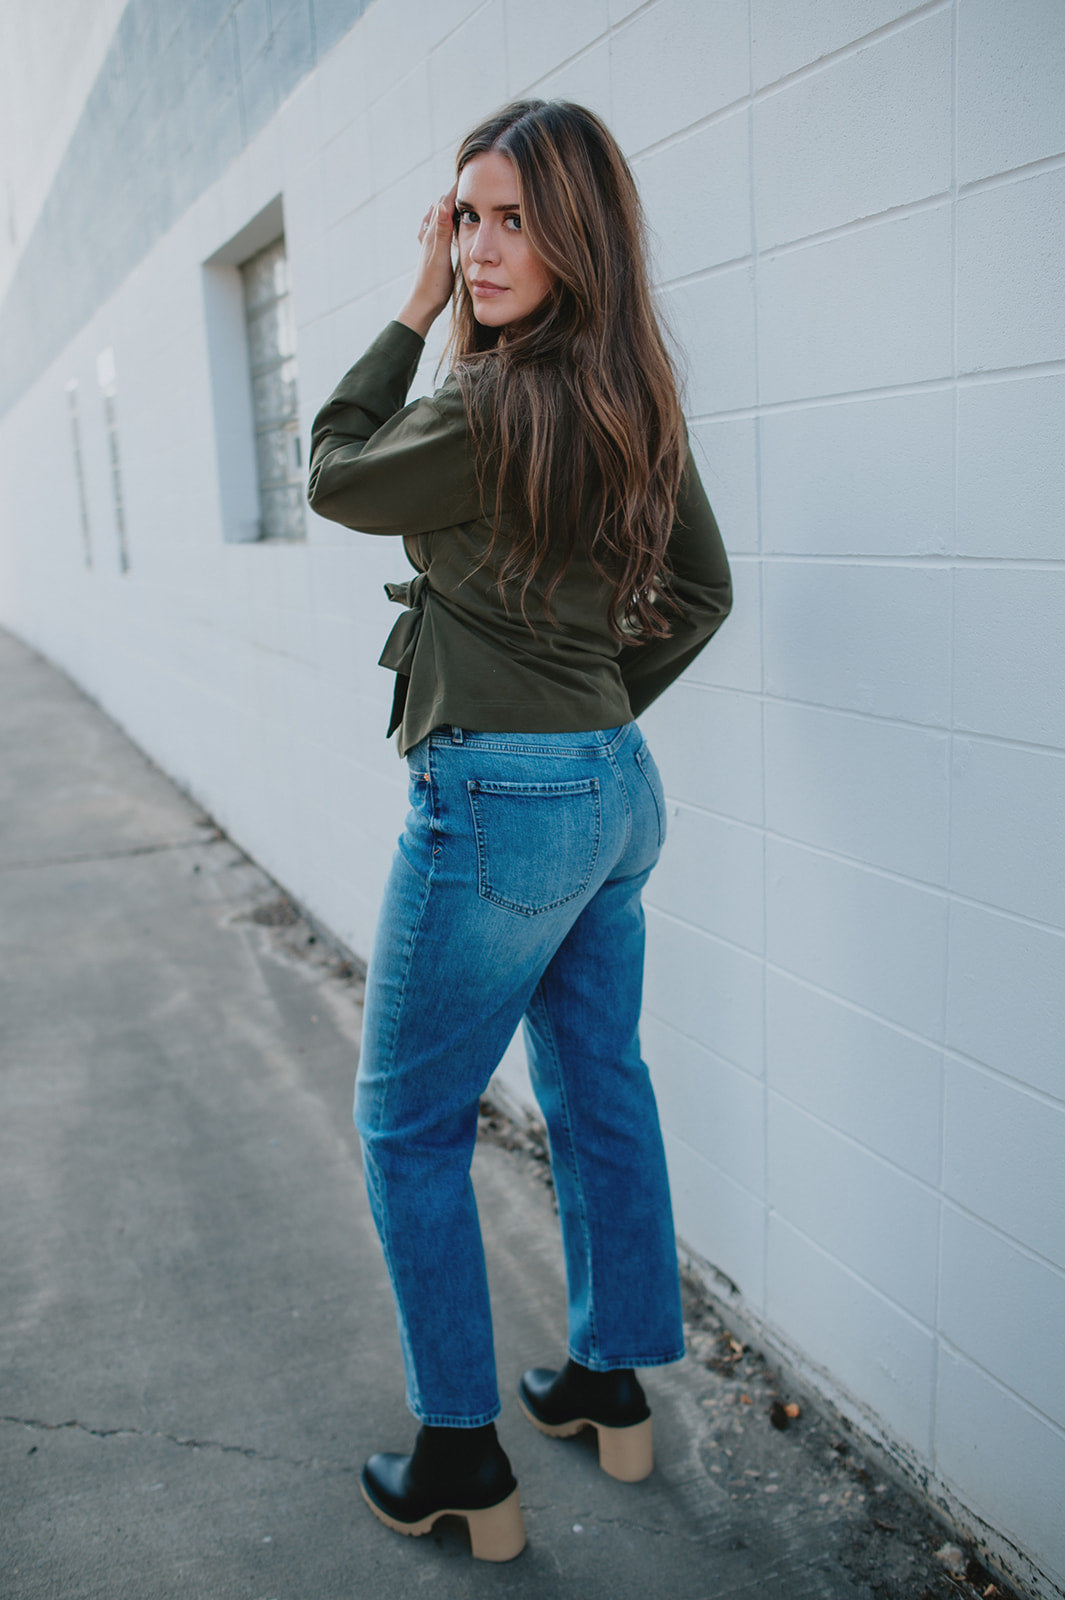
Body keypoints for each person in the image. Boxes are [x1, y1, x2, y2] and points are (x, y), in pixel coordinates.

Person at [307, 99, 732, 1562]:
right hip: (612, 790)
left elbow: (335, 471)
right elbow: (702, 593)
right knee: (597, 1078)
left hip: (505, 802)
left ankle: (458, 1460)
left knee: (406, 1123)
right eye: (464, 218)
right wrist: (591, 715)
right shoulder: (630, 393)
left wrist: (412, 306)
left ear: (577, 237)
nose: (480, 249)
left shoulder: (485, 404)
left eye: (511, 221)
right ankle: (608, 1383)